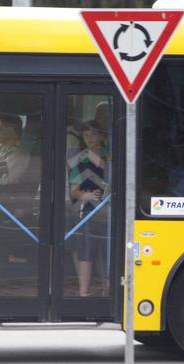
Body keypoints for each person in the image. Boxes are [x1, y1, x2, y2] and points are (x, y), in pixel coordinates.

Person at [67, 120, 109, 297]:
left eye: (93, 134)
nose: (90, 138)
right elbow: (74, 191)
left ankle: (107, 288)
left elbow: (109, 170)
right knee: (85, 249)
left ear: (101, 135)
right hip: (88, 211)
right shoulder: (78, 160)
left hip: (111, 209)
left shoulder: (111, 154)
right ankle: (83, 291)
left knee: (108, 250)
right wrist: (86, 196)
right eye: (86, 135)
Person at [0, 113, 30, 185]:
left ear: (10, 131)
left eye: (0, 129)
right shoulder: (0, 147)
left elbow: (5, 182)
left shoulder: (21, 154)